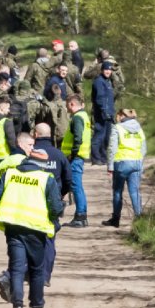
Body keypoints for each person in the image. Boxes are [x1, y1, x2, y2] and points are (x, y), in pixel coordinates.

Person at [0, 132, 62, 308]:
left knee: (17, 269)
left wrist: (10, 210)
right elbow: (56, 208)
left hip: (13, 229)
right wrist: (51, 218)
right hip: (36, 230)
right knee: (37, 271)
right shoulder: (46, 179)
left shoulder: (10, 174)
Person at [28, 123, 71, 284]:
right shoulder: (59, 155)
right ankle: (45, 276)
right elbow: (68, 180)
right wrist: (60, 195)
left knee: (31, 237)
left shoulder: (31, 154)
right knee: (49, 238)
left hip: (33, 200)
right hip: (53, 202)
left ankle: (32, 272)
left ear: (35, 135)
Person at [103, 109, 147, 227]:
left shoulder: (117, 128)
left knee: (117, 192)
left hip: (121, 164)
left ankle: (116, 219)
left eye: (117, 116)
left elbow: (112, 148)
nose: (117, 118)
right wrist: (139, 161)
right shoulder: (139, 129)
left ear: (122, 116)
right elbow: (144, 148)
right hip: (136, 163)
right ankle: (139, 218)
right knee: (135, 192)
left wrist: (110, 167)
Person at [60, 95, 92, 226]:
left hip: (75, 158)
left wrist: (72, 154)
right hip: (79, 157)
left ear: (72, 104)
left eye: (67, 105)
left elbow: (78, 138)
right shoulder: (84, 117)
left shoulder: (77, 118)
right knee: (76, 186)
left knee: (76, 186)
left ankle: (80, 216)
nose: (66, 108)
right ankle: (81, 216)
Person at [90, 60, 117, 165]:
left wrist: (110, 112)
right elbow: (100, 98)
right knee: (99, 136)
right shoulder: (99, 82)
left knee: (107, 136)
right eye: (106, 69)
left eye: (109, 70)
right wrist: (104, 111)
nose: (108, 72)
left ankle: (103, 156)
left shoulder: (107, 81)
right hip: (101, 114)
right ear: (102, 70)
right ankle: (96, 158)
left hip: (109, 113)